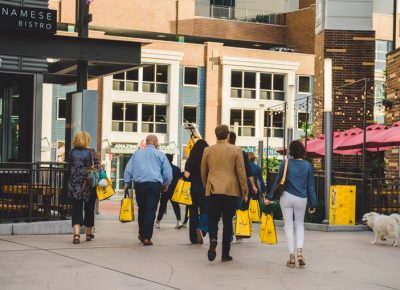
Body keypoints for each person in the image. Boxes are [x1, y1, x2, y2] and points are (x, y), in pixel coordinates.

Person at [265, 140, 317, 268]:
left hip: (286, 197)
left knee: (288, 226)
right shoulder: (308, 166)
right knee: (299, 225)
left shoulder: (285, 163)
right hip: (301, 198)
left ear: (291, 151)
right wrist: (313, 204)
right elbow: (311, 186)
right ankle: (300, 251)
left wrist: (269, 197)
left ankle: (291, 257)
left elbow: (277, 181)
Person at [201, 125, 248, 262]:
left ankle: (213, 238)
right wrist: (244, 190)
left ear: (216, 135)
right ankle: (225, 254)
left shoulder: (208, 150)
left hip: (213, 189)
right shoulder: (236, 150)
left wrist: (206, 186)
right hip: (231, 190)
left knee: (212, 218)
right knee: (227, 221)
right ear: (228, 135)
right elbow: (241, 172)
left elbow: (203, 170)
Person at [124, 135, 172, 246]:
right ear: (155, 142)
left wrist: (126, 183)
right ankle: (147, 237)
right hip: (154, 185)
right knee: (150, 211)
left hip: (139, 185)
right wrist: (166, 184)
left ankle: (141, 234)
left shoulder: (137, 153)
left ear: (147, 142)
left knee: (142, 209)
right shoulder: (160, 154)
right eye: (158, 142)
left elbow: (128, 168)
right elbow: (168, 172)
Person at [67, 131, 99, 245]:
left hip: (75, 184)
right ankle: (88, 233)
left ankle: (76, 235)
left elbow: (68, 168)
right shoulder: (91, 152)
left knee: (76, 209)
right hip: (89, 184)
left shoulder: (71, 152)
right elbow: (96, 166)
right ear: (86, 140)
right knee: (89, 208)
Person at [184, 139, 209, 244]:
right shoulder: (208, 159)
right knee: (206, 210)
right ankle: (202, 229)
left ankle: (193, 239)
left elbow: (186, 175)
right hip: (204, 187)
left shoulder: (191, 159)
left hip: (193, 188)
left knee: (193, 213)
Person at [155, 154, 182, 229]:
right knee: (176, 206)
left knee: (162, 206)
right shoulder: (177, 169)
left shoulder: (162, 169)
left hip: (165, 189)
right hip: (174, 190)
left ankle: (158, 222)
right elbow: (180, 179)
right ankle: (179, 221)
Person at [228, 132, 258, 198]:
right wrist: (253, 186)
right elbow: (248, 171)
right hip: (237, 187)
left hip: (223, 187)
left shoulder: (222, 152)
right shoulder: (241, 153)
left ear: (227, 139)